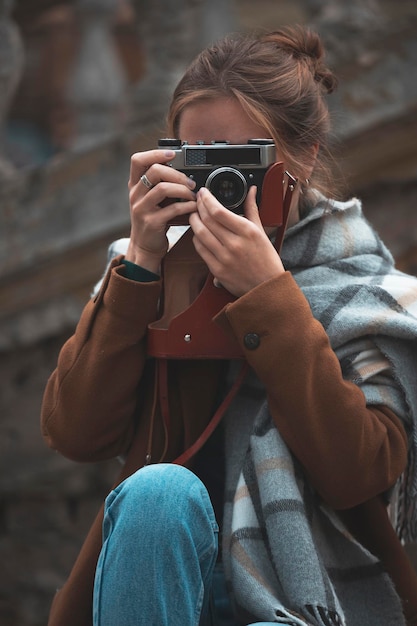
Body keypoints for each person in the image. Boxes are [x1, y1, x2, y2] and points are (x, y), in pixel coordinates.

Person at [41, 25, 417, 626]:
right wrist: (140, 265)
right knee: (158, 492)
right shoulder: (145, 269)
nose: (223, 186)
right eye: (203, 161)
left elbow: (361, 473)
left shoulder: (367, 292)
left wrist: (270, 297)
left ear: (305, 155)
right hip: (159, 576)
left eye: (245, 161)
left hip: (308, 599)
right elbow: (74, 434)